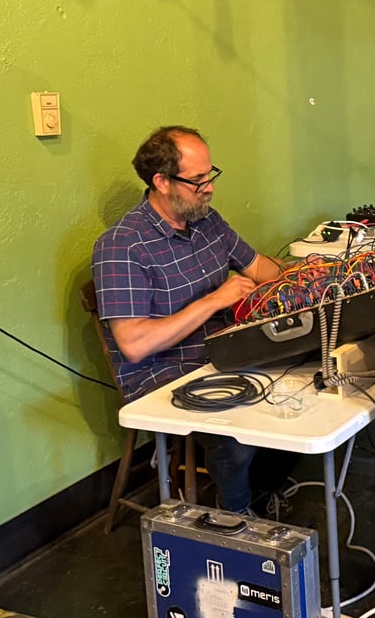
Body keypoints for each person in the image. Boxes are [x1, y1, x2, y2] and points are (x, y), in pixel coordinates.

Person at [92, 125, 298, 517]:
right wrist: (214, 300)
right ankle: (233, 515)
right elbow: (134, 344)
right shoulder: (122, 245)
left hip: (219, 350)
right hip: (163, 370)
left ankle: (259, 489)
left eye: (210, 175)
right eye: (198, 180)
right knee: (235, 427)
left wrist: (307, 274)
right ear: (162, 182)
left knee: (302, 382)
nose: (209, 187)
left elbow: (258, 268)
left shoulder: (207, 222)